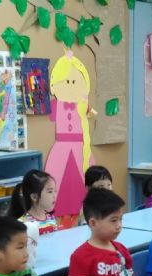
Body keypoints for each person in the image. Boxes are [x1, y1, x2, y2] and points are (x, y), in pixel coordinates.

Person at [11, 169, 67, 276]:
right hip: (33, 273)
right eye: (49, 192)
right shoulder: (23, 223)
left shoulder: (50, 218)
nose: (54, 196)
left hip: (51, 268)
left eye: (55, 191)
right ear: (34, 197)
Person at [45, 51, 95, 228]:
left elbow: (92, 113)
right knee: (58, 180)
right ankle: (60, 219)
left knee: (83, 180)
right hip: (61, 148)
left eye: (75, 81)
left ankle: (79, 215)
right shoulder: (55, 105)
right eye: (66, 81)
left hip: (81, 149)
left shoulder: (82, 106)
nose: (71, 84)